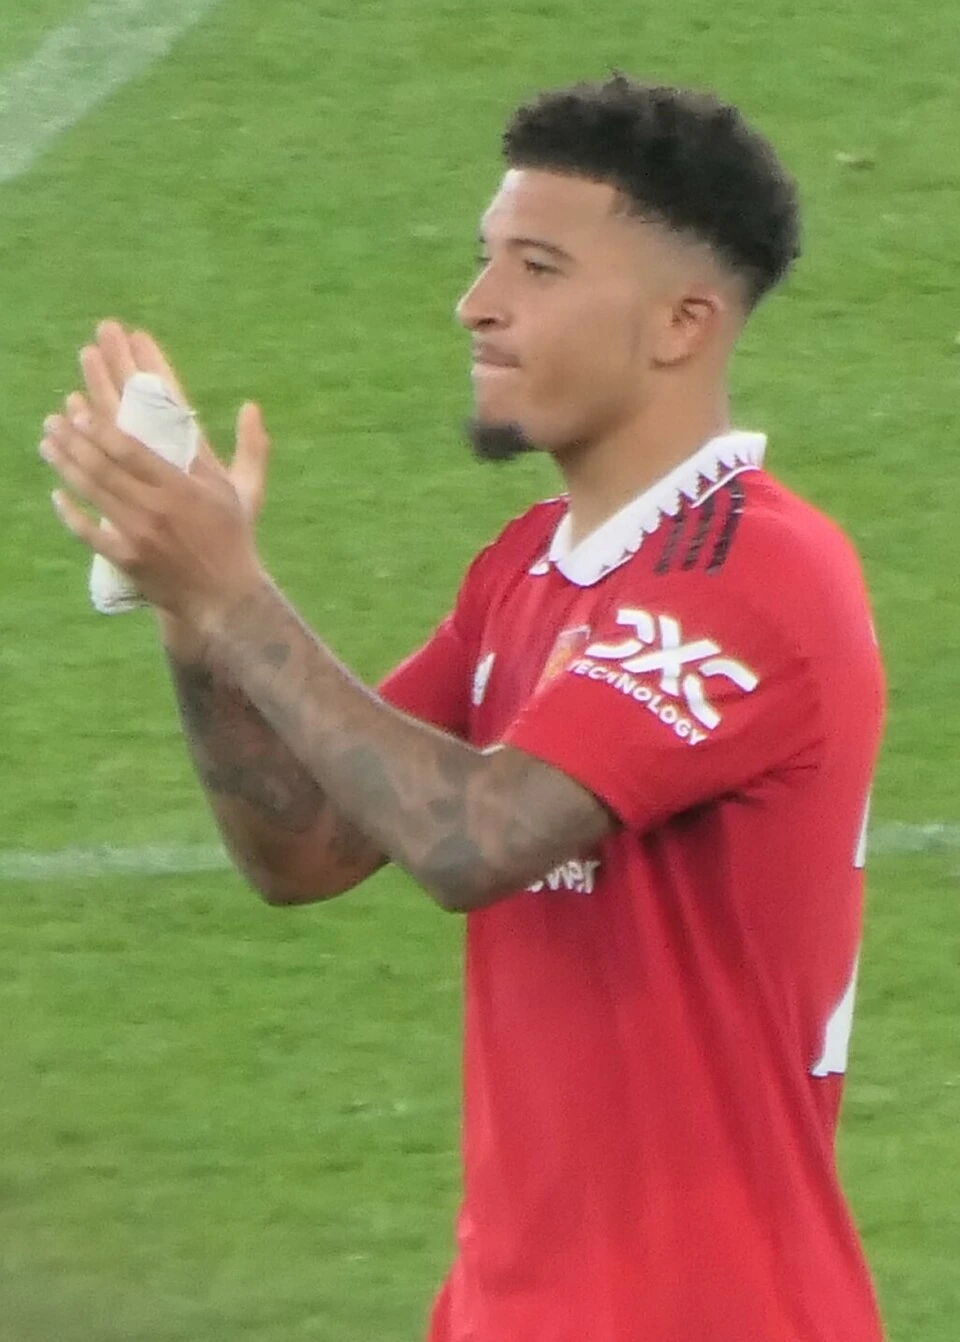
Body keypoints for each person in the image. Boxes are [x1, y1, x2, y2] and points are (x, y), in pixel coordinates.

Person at [40, 75, 886, 1342]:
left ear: (682, 322)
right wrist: (189, 609)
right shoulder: (527, 571)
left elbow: (473, 839)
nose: (475, 305)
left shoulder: (753, 573)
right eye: (485, 260)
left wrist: (237, 592)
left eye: (537, 269)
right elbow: (307, 849)